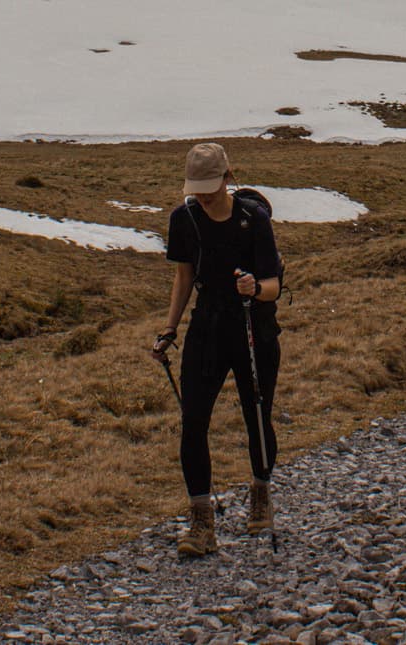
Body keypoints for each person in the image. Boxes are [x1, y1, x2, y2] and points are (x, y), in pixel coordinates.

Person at [151, 142, 283, 557]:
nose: (204, 196)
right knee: (193, 423)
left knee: (256, 416)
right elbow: (183, 277)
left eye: (210, 186)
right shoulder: (184, 219)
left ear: (228, 177)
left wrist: (255, 289)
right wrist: (170, 329)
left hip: (252, 326)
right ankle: (201, 522)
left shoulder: (254, 219)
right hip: (206, 328)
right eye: (198, 188)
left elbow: (273, 285)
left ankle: (261, 491)